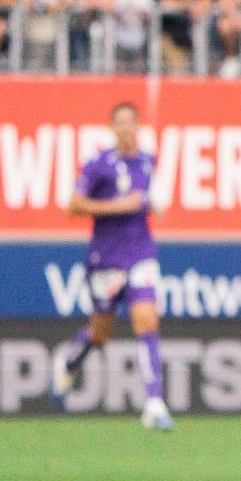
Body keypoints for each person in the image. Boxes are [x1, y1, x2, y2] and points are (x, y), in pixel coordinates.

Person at [51, 103, 173, 431]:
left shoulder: (149, 161)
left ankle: (154, 403)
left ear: (138, 126)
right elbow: (73, 206)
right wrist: (119, 206)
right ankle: (69, 361)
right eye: (120, 123)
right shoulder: (97, 165)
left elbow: (147, 196)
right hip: (106, 257)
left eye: (131, 123)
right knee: (101, 333)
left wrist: (152, 204)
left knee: (146, 320)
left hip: (141, 251)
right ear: (111, 127)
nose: (126, 129)